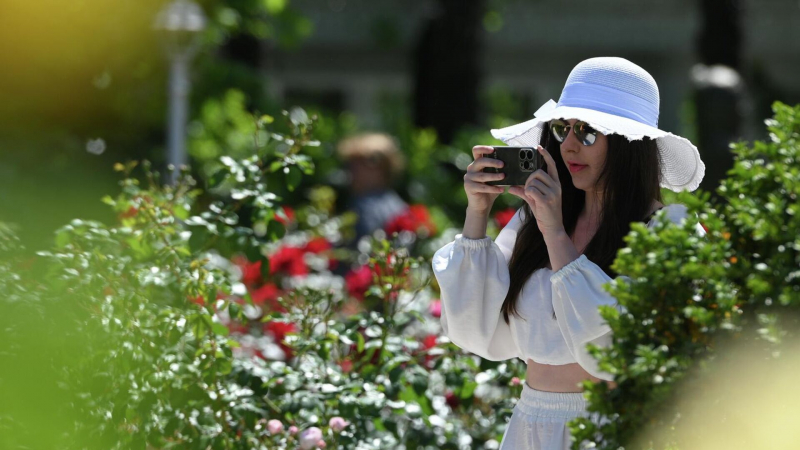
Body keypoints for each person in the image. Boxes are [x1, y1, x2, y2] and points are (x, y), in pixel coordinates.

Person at [431, 57, 706, 449]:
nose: (571, 144)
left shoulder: (668, 231)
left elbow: (616, 350)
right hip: (530, 423)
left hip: (611, 425)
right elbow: (471, 329)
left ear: (629, 145)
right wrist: (477, 212)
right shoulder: (534, 220)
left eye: (589, 133)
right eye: (563, 129)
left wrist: (555, 232)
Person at [336, 132, 408, 245]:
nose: (350, 171)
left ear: (377, 168)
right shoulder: (400, 205)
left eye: (356, 164)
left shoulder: (363, 205)